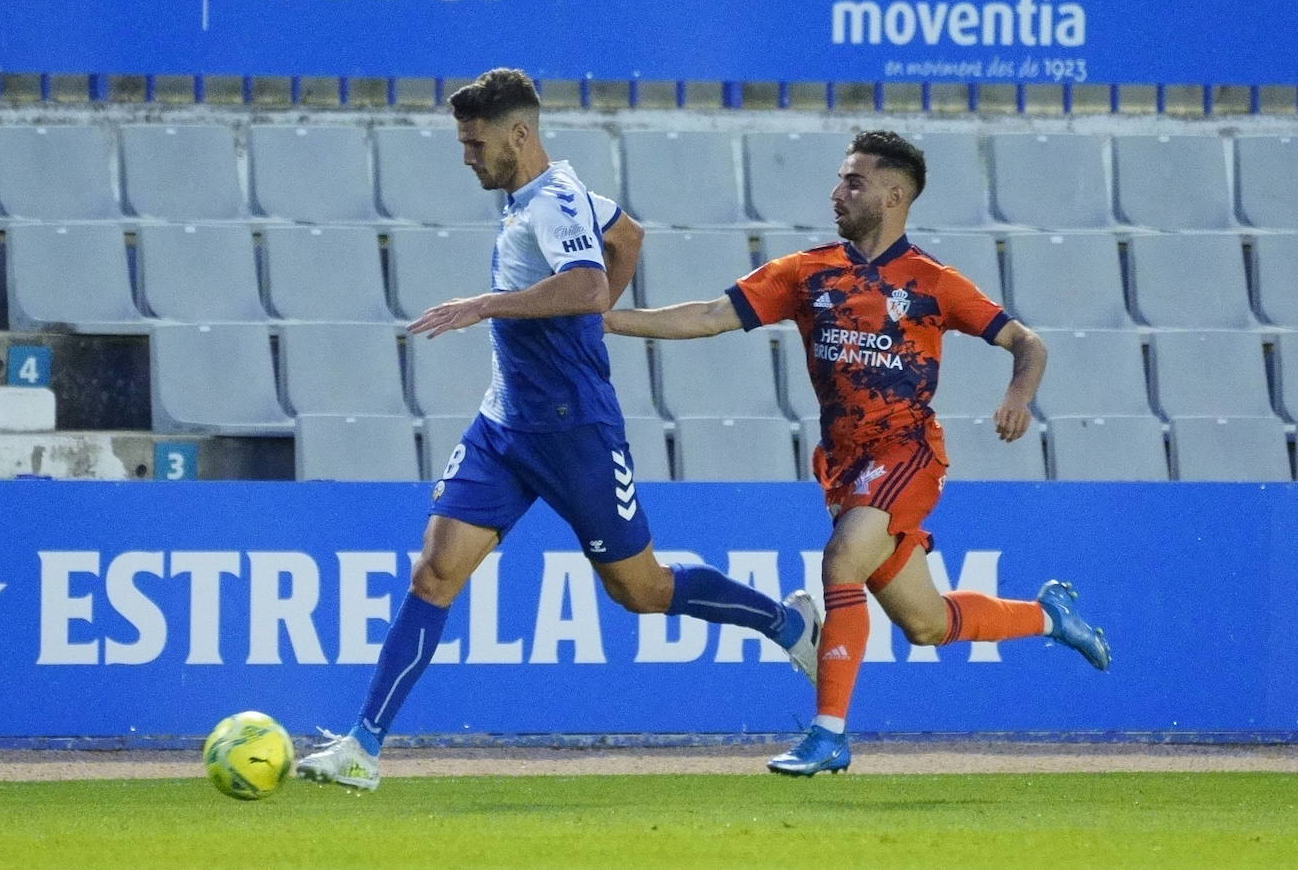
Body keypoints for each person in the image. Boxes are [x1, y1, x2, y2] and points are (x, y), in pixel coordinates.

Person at [296, 68, 820, 791]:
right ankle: (363, 747)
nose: (467, 157)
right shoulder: (544, 196)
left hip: (576, 433)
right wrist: (589, 322)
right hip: (505, 424)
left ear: (520, 135)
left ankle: (786, 625)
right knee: (436, 571)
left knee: (640, 589)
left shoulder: (553, 203)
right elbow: (626, 236)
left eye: (477, 144)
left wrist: (497, 304)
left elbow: (585, 283)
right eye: (463, 143)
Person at [603, 130, 1111, 777]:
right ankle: (1049, 617)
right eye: (841, 179)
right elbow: (708, 316)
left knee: (841, 560)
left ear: (895, 195)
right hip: (845, 468)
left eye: (854, 181)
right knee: (926, 624)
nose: (837, 193)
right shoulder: (806, 273)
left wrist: (1019, 395)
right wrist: (609, 320)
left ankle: (828, 734)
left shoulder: (933, 283)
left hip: (907, 453)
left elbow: (1026, 342)